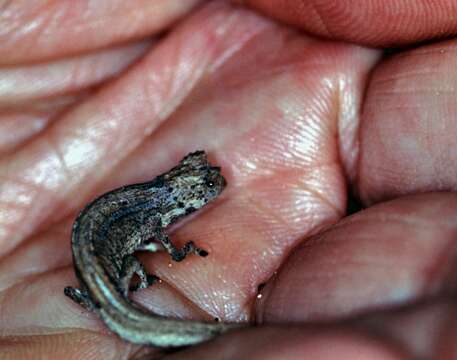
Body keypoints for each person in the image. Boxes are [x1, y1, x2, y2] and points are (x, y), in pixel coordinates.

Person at [0, 1, 455, 358]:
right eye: (202, 191)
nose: (211, 187)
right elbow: (150, 238)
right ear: (183, 197)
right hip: (105, 281)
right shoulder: (151, 217)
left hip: (100, 278)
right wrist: (174, 251)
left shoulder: (146, 203)